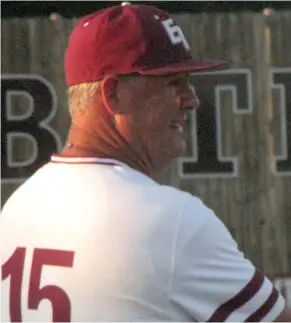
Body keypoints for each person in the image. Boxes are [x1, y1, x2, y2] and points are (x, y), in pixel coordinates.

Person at [1, 2, 290, 322]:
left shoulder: (19, 205)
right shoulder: (170, 220)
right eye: (173, 83)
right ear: (114, 94)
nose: (192, 99)